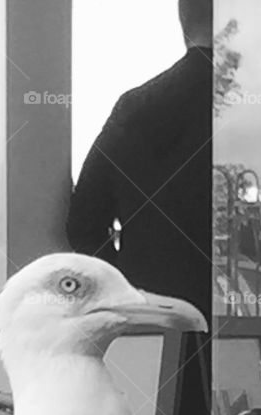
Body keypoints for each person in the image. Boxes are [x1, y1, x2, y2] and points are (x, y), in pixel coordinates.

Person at [66, 0, 214, 319]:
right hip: (238, 320)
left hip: (153, 318)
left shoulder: (135, 107)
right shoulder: (258, 111)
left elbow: (83, 223)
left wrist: (125, 287)